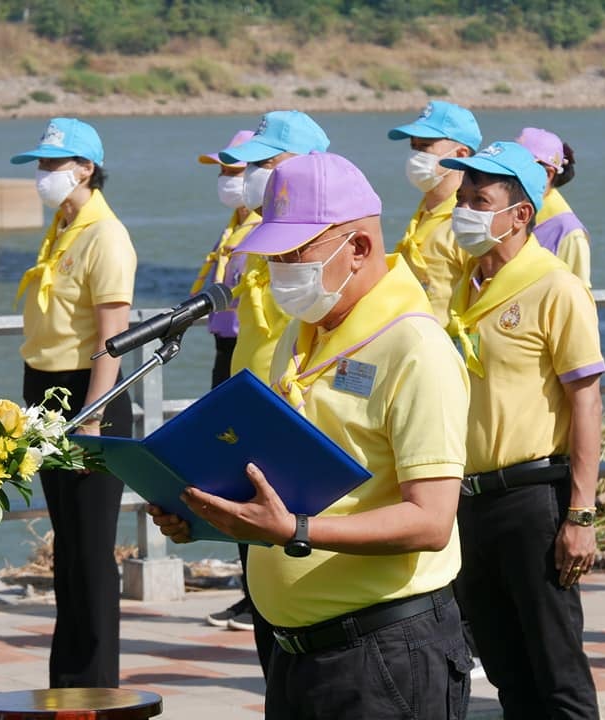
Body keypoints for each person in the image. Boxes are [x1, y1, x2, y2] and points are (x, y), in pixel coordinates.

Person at [151, 151, 473, 718]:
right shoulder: (300, 337)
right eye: (273, 254)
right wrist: (208, 517)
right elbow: (283, 480)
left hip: (384, 651)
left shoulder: (415, 347)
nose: (280, 269)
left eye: (295, 253)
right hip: (295, 650)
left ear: (360, 248)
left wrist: (296, 530)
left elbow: (431, 520)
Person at [442, 141, 604, 719]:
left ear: (520, 214)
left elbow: (585, 401)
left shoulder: (554, 286)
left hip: (533, 498)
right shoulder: (465, 286)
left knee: (557, 673)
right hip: (470, 502)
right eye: (461, 198)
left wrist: (580, 515)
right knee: (508, 673)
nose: (464, 210)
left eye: (479, 200)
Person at [11, 117, 137, 688]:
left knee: (91, 549)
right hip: (45, 390)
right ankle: (68, 676)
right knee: (68, 544)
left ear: (85, 169)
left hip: (89, 397)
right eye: (38, 165)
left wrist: (91, 413)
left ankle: (97, 681)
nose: (42, 175)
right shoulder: (64, 228)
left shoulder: (104, 235)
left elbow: (112, 335)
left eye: (51, 165)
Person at [207, 110, 331, 657]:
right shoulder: (257, 237)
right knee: (260, 587)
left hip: (290, 432)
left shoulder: (318, 245)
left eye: (266, 162)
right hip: (247, 425)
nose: (253, 174)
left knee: (296, 603)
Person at [192, 129, 263, 632]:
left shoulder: (264, 228)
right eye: (222, 171)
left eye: (234, 172)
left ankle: (258, 592)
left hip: (247, 353)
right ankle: (248, 590)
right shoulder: (234, 224)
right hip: (224, 350)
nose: (226, 181)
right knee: (229, 468)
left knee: (252, 470)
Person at [387, 100, 481, 325]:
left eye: (425, 147)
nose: (415, 155)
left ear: (460, 154)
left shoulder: (469, 221)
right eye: (414, 146)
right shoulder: (425, 211)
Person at [516, 127, 593, 287]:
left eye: (517, 166)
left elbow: (577, 303)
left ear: (548, 174)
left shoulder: (570, 234)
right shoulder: (502, 213)